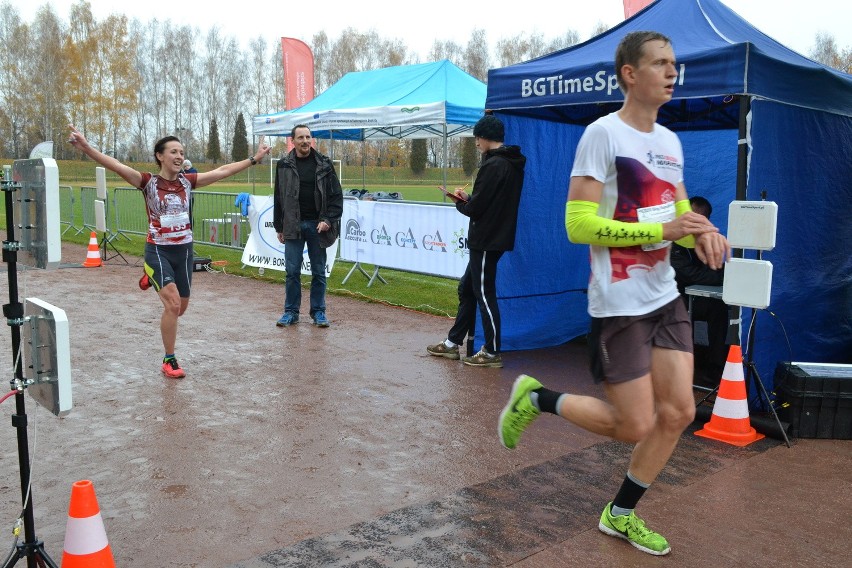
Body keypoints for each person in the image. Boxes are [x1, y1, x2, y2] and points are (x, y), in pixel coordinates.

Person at [497, 31, 730, 556]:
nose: (673, 73)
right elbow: (578, 224)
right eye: (661, 64)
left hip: (664, 294)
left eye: (675, 64)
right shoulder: (602, 136)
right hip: (619, 302)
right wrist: (659, 233)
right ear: (630, 73)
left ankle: (620, 514)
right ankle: (538, 397)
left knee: (677, 414)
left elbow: (676, 209)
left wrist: (702, 232)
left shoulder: (669, 142)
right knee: (634, 424)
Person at [68, 124, 271, 378]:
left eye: (181, 152)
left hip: (184, 251)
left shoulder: (188, 182)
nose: (179, 156)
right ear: (160, 156)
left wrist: (254, 159)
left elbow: (222, 170)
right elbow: (115, 165)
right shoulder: (147, 182)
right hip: (158, 251)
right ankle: (169, 358)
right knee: (173, 305)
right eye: (173, 151)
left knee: (181, 308)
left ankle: (150, 278)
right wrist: (86, 147)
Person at [426, 114, 526, 368]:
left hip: (486, 239)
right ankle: (452, 343)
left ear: (483, 137)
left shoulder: (493, 165)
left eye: (477, 139)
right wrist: (470, 197)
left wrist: (459, 201)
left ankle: (491, 351)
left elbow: (476, 209)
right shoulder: (509, 162)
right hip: (494, 237)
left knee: (483, 293)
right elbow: (489, 201)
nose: (476, 144)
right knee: (467, 288)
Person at [273, 124, 343, 328]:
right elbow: (279, 196)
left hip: (317, 226)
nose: (305, 141)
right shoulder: (283, 164)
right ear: (292, 140)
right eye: (300, 137)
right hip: (292, 225)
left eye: (308, 137)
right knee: (292, 271)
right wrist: (279, 226)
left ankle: (319, 312)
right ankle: (291, 312)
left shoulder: (324, 164)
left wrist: (328, 220)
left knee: (319, 272)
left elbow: (336, 196)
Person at [671, 196, 729, 388]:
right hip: (674, 298)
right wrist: (722, 277)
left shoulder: (706, 240)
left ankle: (716, 368)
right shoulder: (672, 241)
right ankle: (680, 369)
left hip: (698, 296)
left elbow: (715, 266)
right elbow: (691, 275)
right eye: (694, 216)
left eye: (703, 218)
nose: (698, 221)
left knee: (719, 307)